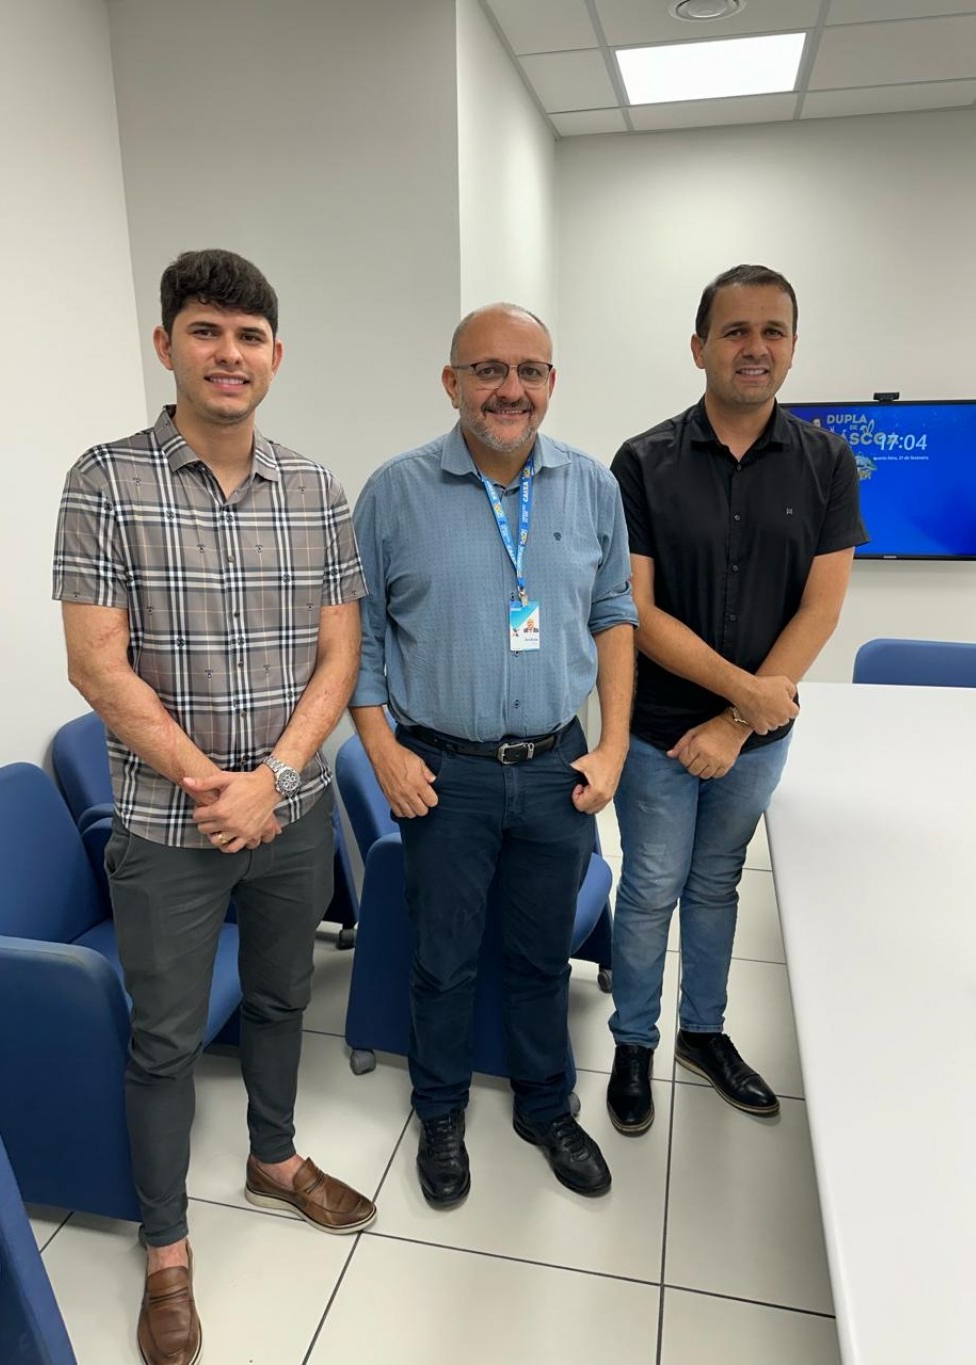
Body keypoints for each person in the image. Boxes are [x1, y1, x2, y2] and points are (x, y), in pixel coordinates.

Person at [53, 249, 375, 1365]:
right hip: (166, 826)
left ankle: (273, 1158)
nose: (228, 354)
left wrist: (272, 782)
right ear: (167, 345)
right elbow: (96, 665)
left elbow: (341, 654)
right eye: (205, 331)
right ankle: (166, 1250)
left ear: (274, 355)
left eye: (248, 336)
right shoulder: (105, 481)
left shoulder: (317, 489)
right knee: (165, 1041)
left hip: (293, 814)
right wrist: (217, 788)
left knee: (283, 996)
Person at [350, 303, 637, 1207]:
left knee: (542, 953)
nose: (510, 389)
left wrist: (615, 745)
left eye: (530, 370)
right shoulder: (394, 492)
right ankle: (438, 1109)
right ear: (452, 382)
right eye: (488, 370)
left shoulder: (591, 486)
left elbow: (614, 614)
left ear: (551, 382)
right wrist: (381, 748)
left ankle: (545, 1105)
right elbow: (358, 639)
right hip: (443, 771)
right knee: (443, 958)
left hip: (559, 767)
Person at [606, 264, 867, 1135]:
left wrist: (736, 721)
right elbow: (638, 611)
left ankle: (703, 1033)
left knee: (717, 884)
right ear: (700, 347)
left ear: (792, 348)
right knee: (651, 887)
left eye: (773, 331)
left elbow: (820, 608)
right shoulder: (642, 461)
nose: (755, 347)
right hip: (655, 732)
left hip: (754, 740)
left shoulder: (828, 460)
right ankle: (633, 1043)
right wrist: (743, 697)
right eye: (735, 330)